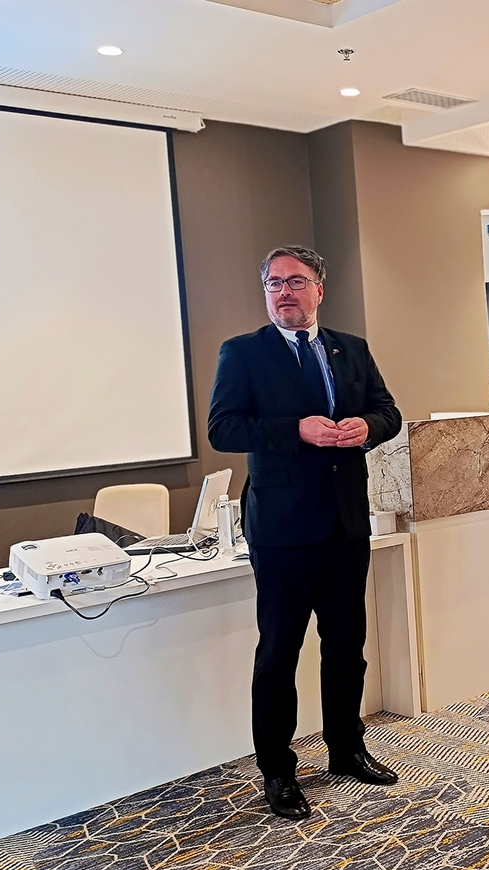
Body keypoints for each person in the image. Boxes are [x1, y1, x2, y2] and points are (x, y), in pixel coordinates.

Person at [208, 245, 403, 821]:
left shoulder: (351, 348)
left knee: (346, 647)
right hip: (282, 529)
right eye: (274, 283)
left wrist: (366, 426)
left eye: (295, 281)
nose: (283, 292)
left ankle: (346, 749)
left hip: (345, 523)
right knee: (279, 654)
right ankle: (278, 771)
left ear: (319, 288)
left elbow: (389, 412)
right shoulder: (243, 352)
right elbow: (223, 428)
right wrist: (296, 429)